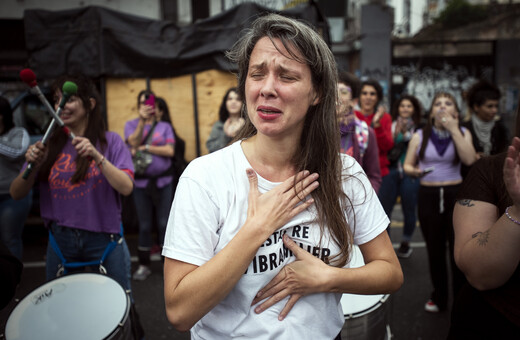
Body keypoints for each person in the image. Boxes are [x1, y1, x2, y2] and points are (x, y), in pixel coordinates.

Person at [162, 13, 403, 339]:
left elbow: (389, 272)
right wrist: (257, 228)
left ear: (317, 92)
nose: (267, 89)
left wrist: (328, 277)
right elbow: (179, 311)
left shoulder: (344, 173)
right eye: (257, 74)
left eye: (287, 76)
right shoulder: (205, 177)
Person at [9, 74, 134, 293]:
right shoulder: (47, 146)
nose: (61, 105)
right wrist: (34, 165)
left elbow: (126, 187)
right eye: (57, 100)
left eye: (70, 98)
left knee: (116, 306)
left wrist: (97, 156)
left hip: (105, 238)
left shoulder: (110, 141)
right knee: (61, 310)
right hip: (61, 240)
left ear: (90, 104)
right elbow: (16, 193)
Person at [448, 103, 520, 338]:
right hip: (493, 318)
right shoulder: (490, 171)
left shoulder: (495, 129)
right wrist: (518, 211)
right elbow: (479, 274)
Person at [403, 92, 477, 313]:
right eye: (438, 104)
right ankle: (439, 296)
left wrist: (454, 128)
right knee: (434, 250)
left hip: (456, 194)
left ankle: (462, 298)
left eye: (448, 104)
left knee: (459, 250)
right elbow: (407, 165)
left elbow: (470, 159)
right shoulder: (419, 135)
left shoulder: (463, 132)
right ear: (431, 110)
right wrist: (414, 171)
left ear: (455, 111)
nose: (443, 107)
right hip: (429, 196)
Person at [125, 90, 175, 280]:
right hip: (141, 184)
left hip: (163, 182)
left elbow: (170, 151)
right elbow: (133, 142)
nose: (147, 107)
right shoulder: (131, 125)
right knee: (144, 225)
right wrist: (141, 121)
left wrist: (146, 148)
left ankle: (167, 266)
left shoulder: (164, 127)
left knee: (164, 223)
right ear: (138, 107)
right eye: (142, 104)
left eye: (149, 104)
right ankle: (144, 264)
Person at [379, 95, 422, 258]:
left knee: (409, 209)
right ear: (397, 108)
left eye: (409, 106)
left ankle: (405, 242)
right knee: (384, 211)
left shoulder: (419, 128)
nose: (405, 109)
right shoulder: (390, 125)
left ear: (414, 109)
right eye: (402, 105)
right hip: (390, 171)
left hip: (409, 173)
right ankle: (387, 246)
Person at [336, 71, 381, 192]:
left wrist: (364, 201)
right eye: (333, 91)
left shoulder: (365, 133)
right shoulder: (316, 130)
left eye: (343, 92)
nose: (337, 96)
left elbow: (374, 176)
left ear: (354, 102)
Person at [0, 96, 32, 260]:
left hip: (11, 197)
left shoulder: (18, 133)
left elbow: (17, 152)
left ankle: (12, 280)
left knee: (9, 239)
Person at [460, 79, 509, 176]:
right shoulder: (464, 128)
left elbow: (504, 153)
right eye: (489, 106)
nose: (494, 110)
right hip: (469, 179)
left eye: (496, 106)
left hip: (494, 178)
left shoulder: (500, 128)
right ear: (476, 107)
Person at [355, 79, 394, 178]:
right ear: (359, 97)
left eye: (372, 94)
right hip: (355, 171)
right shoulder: (352, 116)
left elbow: (387, 146)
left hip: (379, 172)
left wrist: (377, 125)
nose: (368, 97)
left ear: (378, 98)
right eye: (364, 93)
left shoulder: (385, 117)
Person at [206, 87, 245, 153]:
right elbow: (211, 148)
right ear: (225, 103)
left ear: (243, 103)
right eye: (230, 99)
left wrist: (241, 131)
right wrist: (226, 135)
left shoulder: (248, 125)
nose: (233, 102)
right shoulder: (218, 125)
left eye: (238, 99)